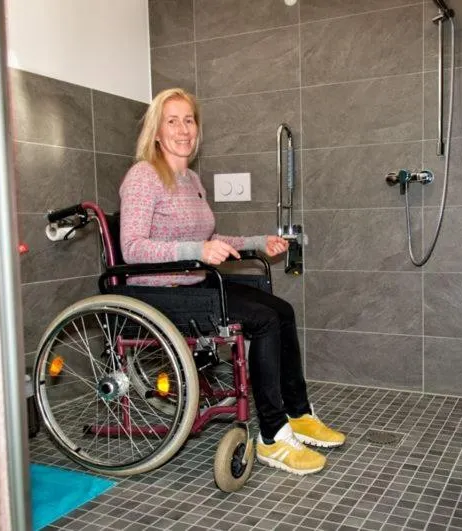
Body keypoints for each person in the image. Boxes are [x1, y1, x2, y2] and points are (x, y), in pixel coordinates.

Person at [118, 88, 345, 475]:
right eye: (172, 121)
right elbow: (132, 248)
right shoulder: (143, 177)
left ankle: (298, 412)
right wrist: (197, 250)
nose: (182, 129)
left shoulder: (190, 179)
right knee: (264, 320)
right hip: (158, 292)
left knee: (282, 310)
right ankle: (272, 437)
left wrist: (258, 241)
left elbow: (211, 241)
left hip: (193, 283)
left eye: (188, 119)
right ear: (156, 131)